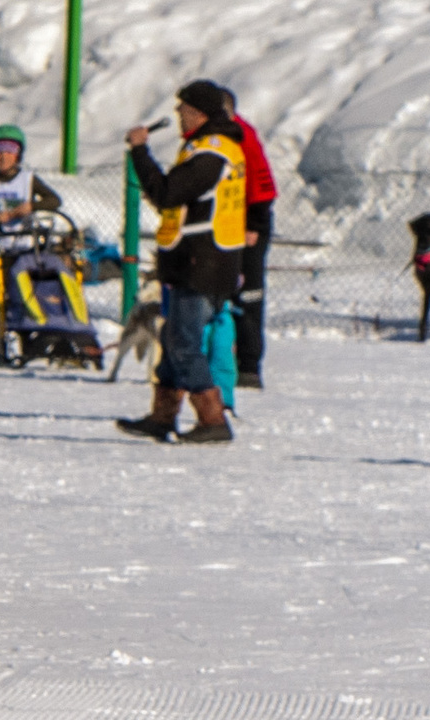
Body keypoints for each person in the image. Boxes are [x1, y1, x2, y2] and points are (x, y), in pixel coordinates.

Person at [119, 80, 246, 446]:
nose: (177, 115)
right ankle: (162, 417)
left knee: (185, 342)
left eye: (183, 109)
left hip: (202, 263)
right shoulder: (209, 148)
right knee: (175, 338)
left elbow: (168, 192)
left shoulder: (211, 153)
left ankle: (213, 418)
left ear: (200, 114)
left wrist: (140, 152)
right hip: (197, 260)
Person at [0, 123, 63, 366]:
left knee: (22, 296)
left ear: (17, 155)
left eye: (8, 151)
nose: (3, 157)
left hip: (21, 247)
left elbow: (54, 200)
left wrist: (31, 206)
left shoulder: (27, 179)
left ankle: (27, 343)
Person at [225, 84, 277, 390]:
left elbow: (262, 186)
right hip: (223, 223)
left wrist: (253, 227)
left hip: (247, 226)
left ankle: (249, 364)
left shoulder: (243, 137)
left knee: (249, 294)